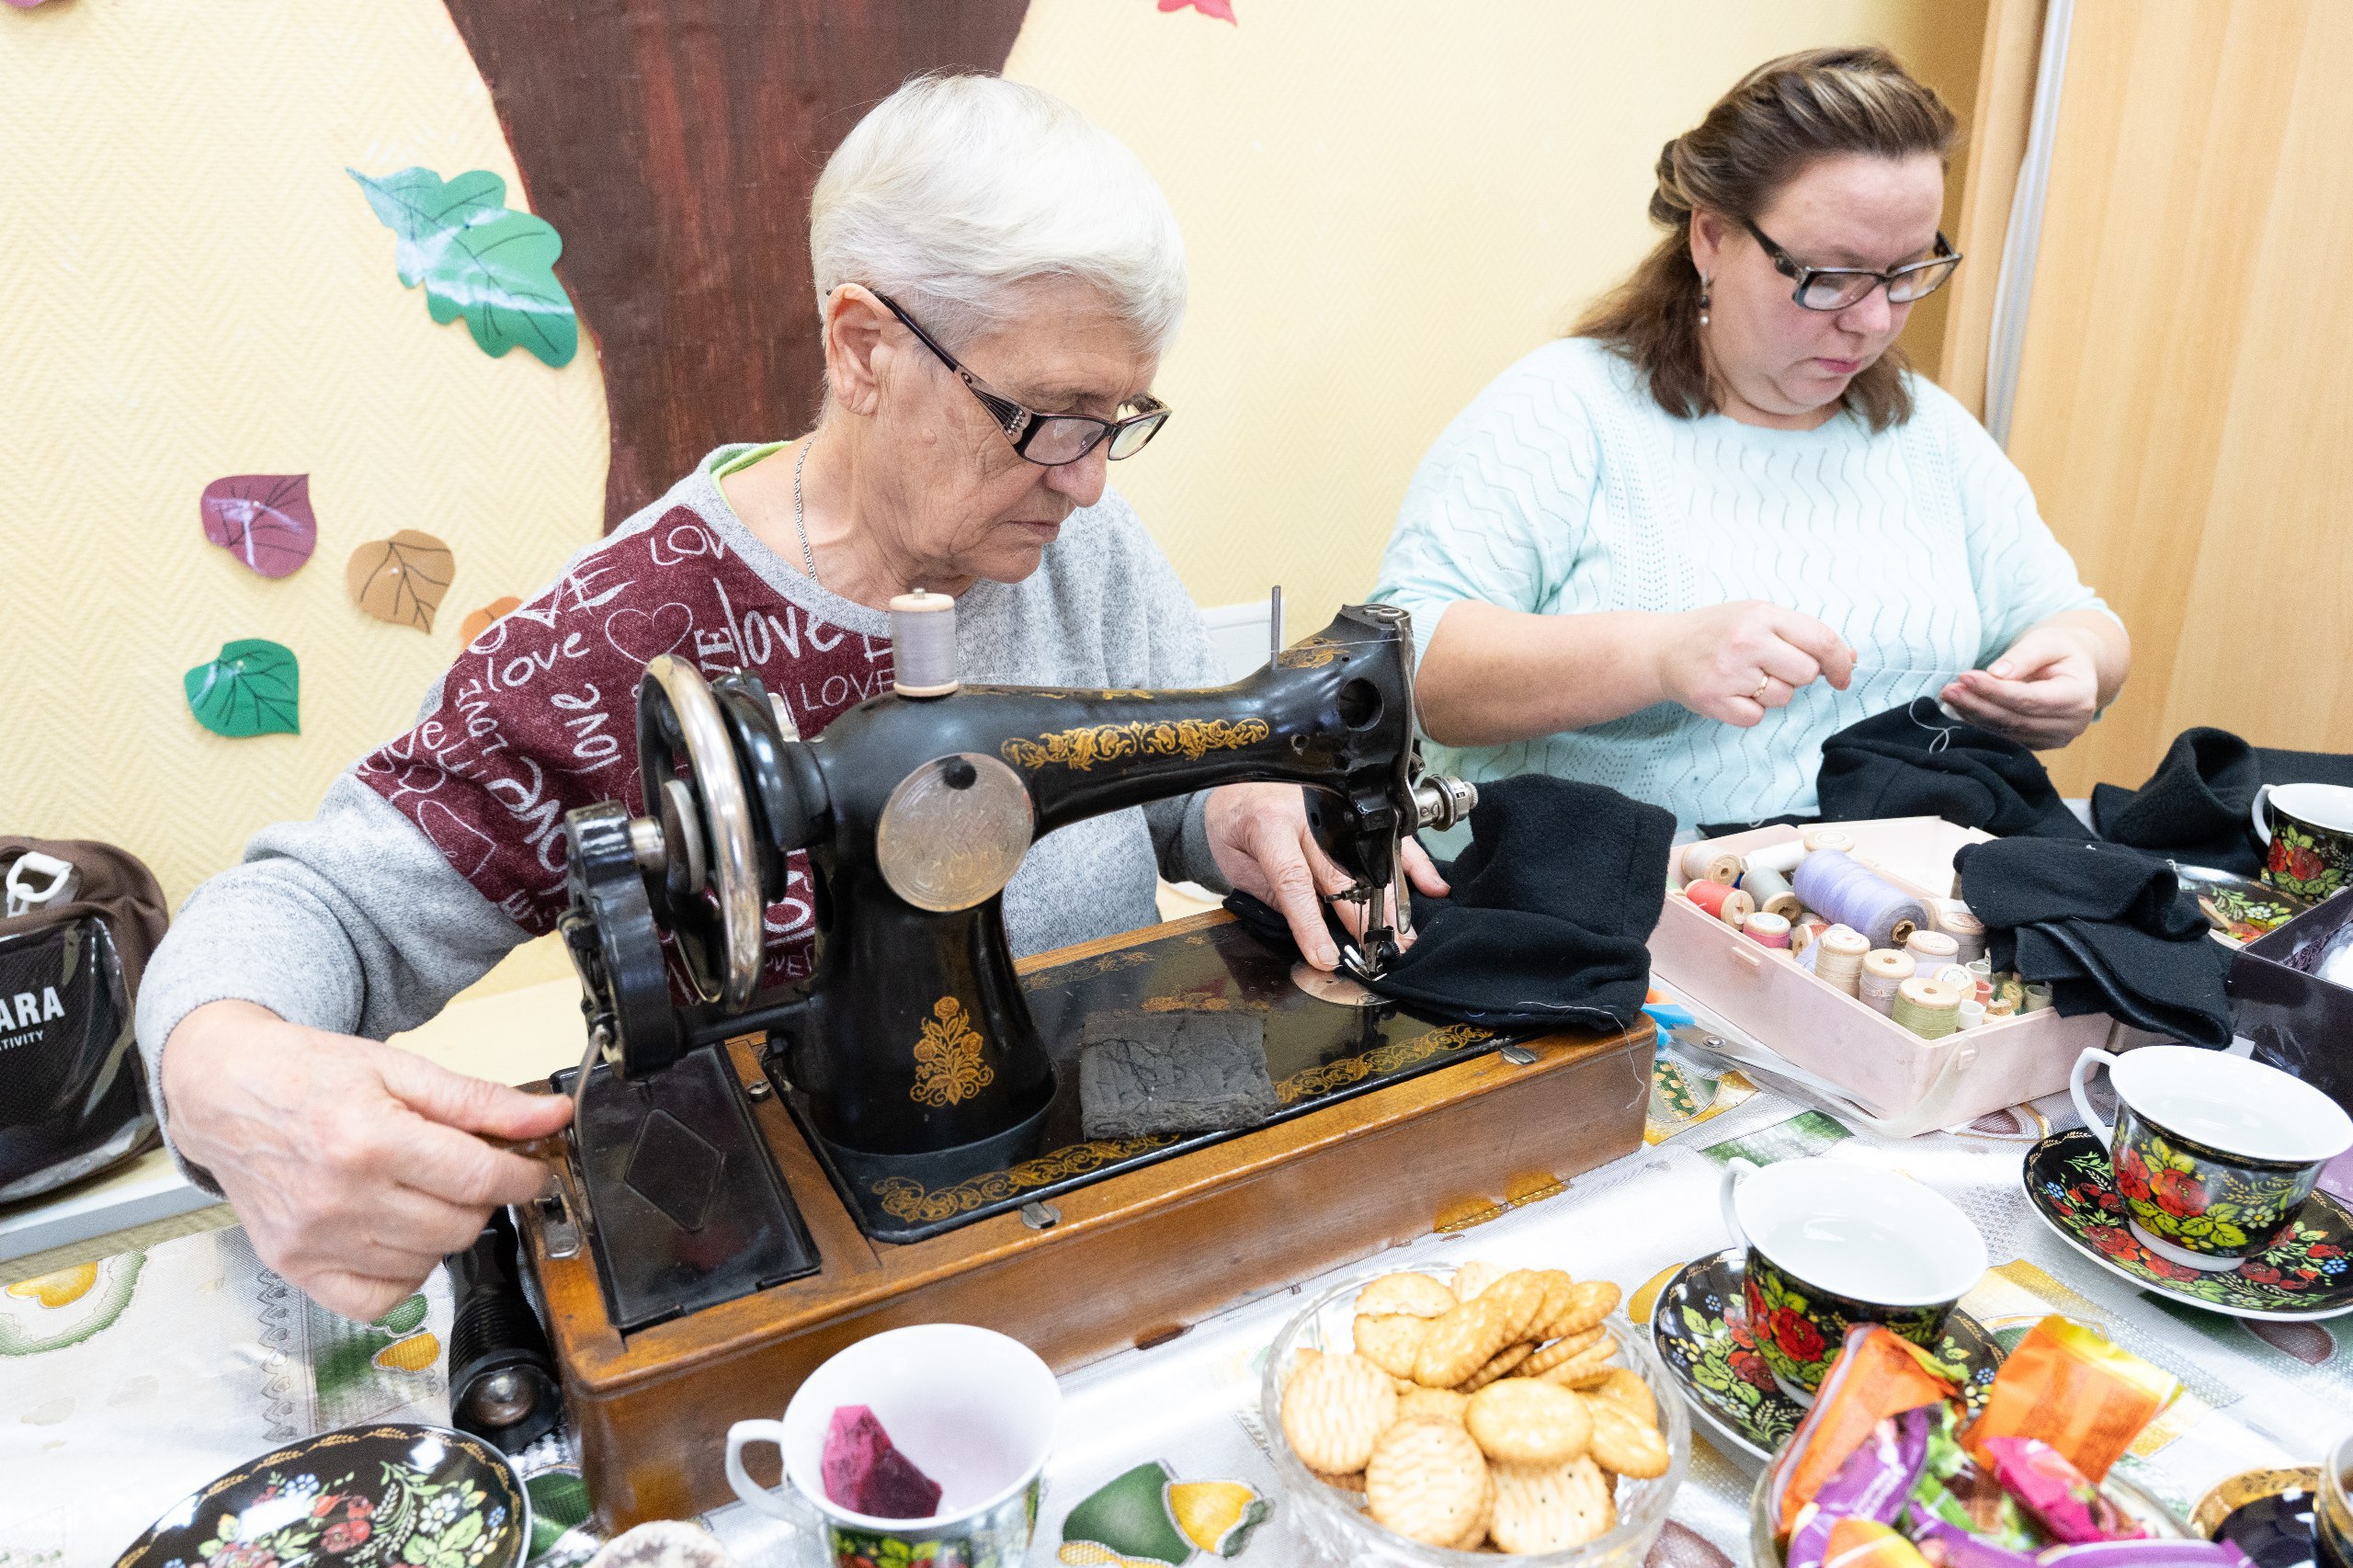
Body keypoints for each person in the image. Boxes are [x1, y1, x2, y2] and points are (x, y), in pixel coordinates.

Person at [136, 74, 1441, 1321]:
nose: (1090, 477)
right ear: (863, 348)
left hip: (1109, 1218)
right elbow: (320, 908)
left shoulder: (1074, 536)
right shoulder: (622, 634)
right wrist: (222, 1066)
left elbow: (1158, 787)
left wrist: (1229, 811)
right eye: (1050, 414)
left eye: (1117, 417)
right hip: (806, 1281)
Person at [1373, 47, 2129, 829]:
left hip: (1874, 893)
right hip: (1610, 889)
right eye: (1830, 275)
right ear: (1711, 236)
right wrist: (1657, 656)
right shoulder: (1566, 410)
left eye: (1907, 272)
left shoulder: (1927, 431)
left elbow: (2081, 621)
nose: (1874, 320)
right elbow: (1405, 672)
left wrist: (2079, 665)